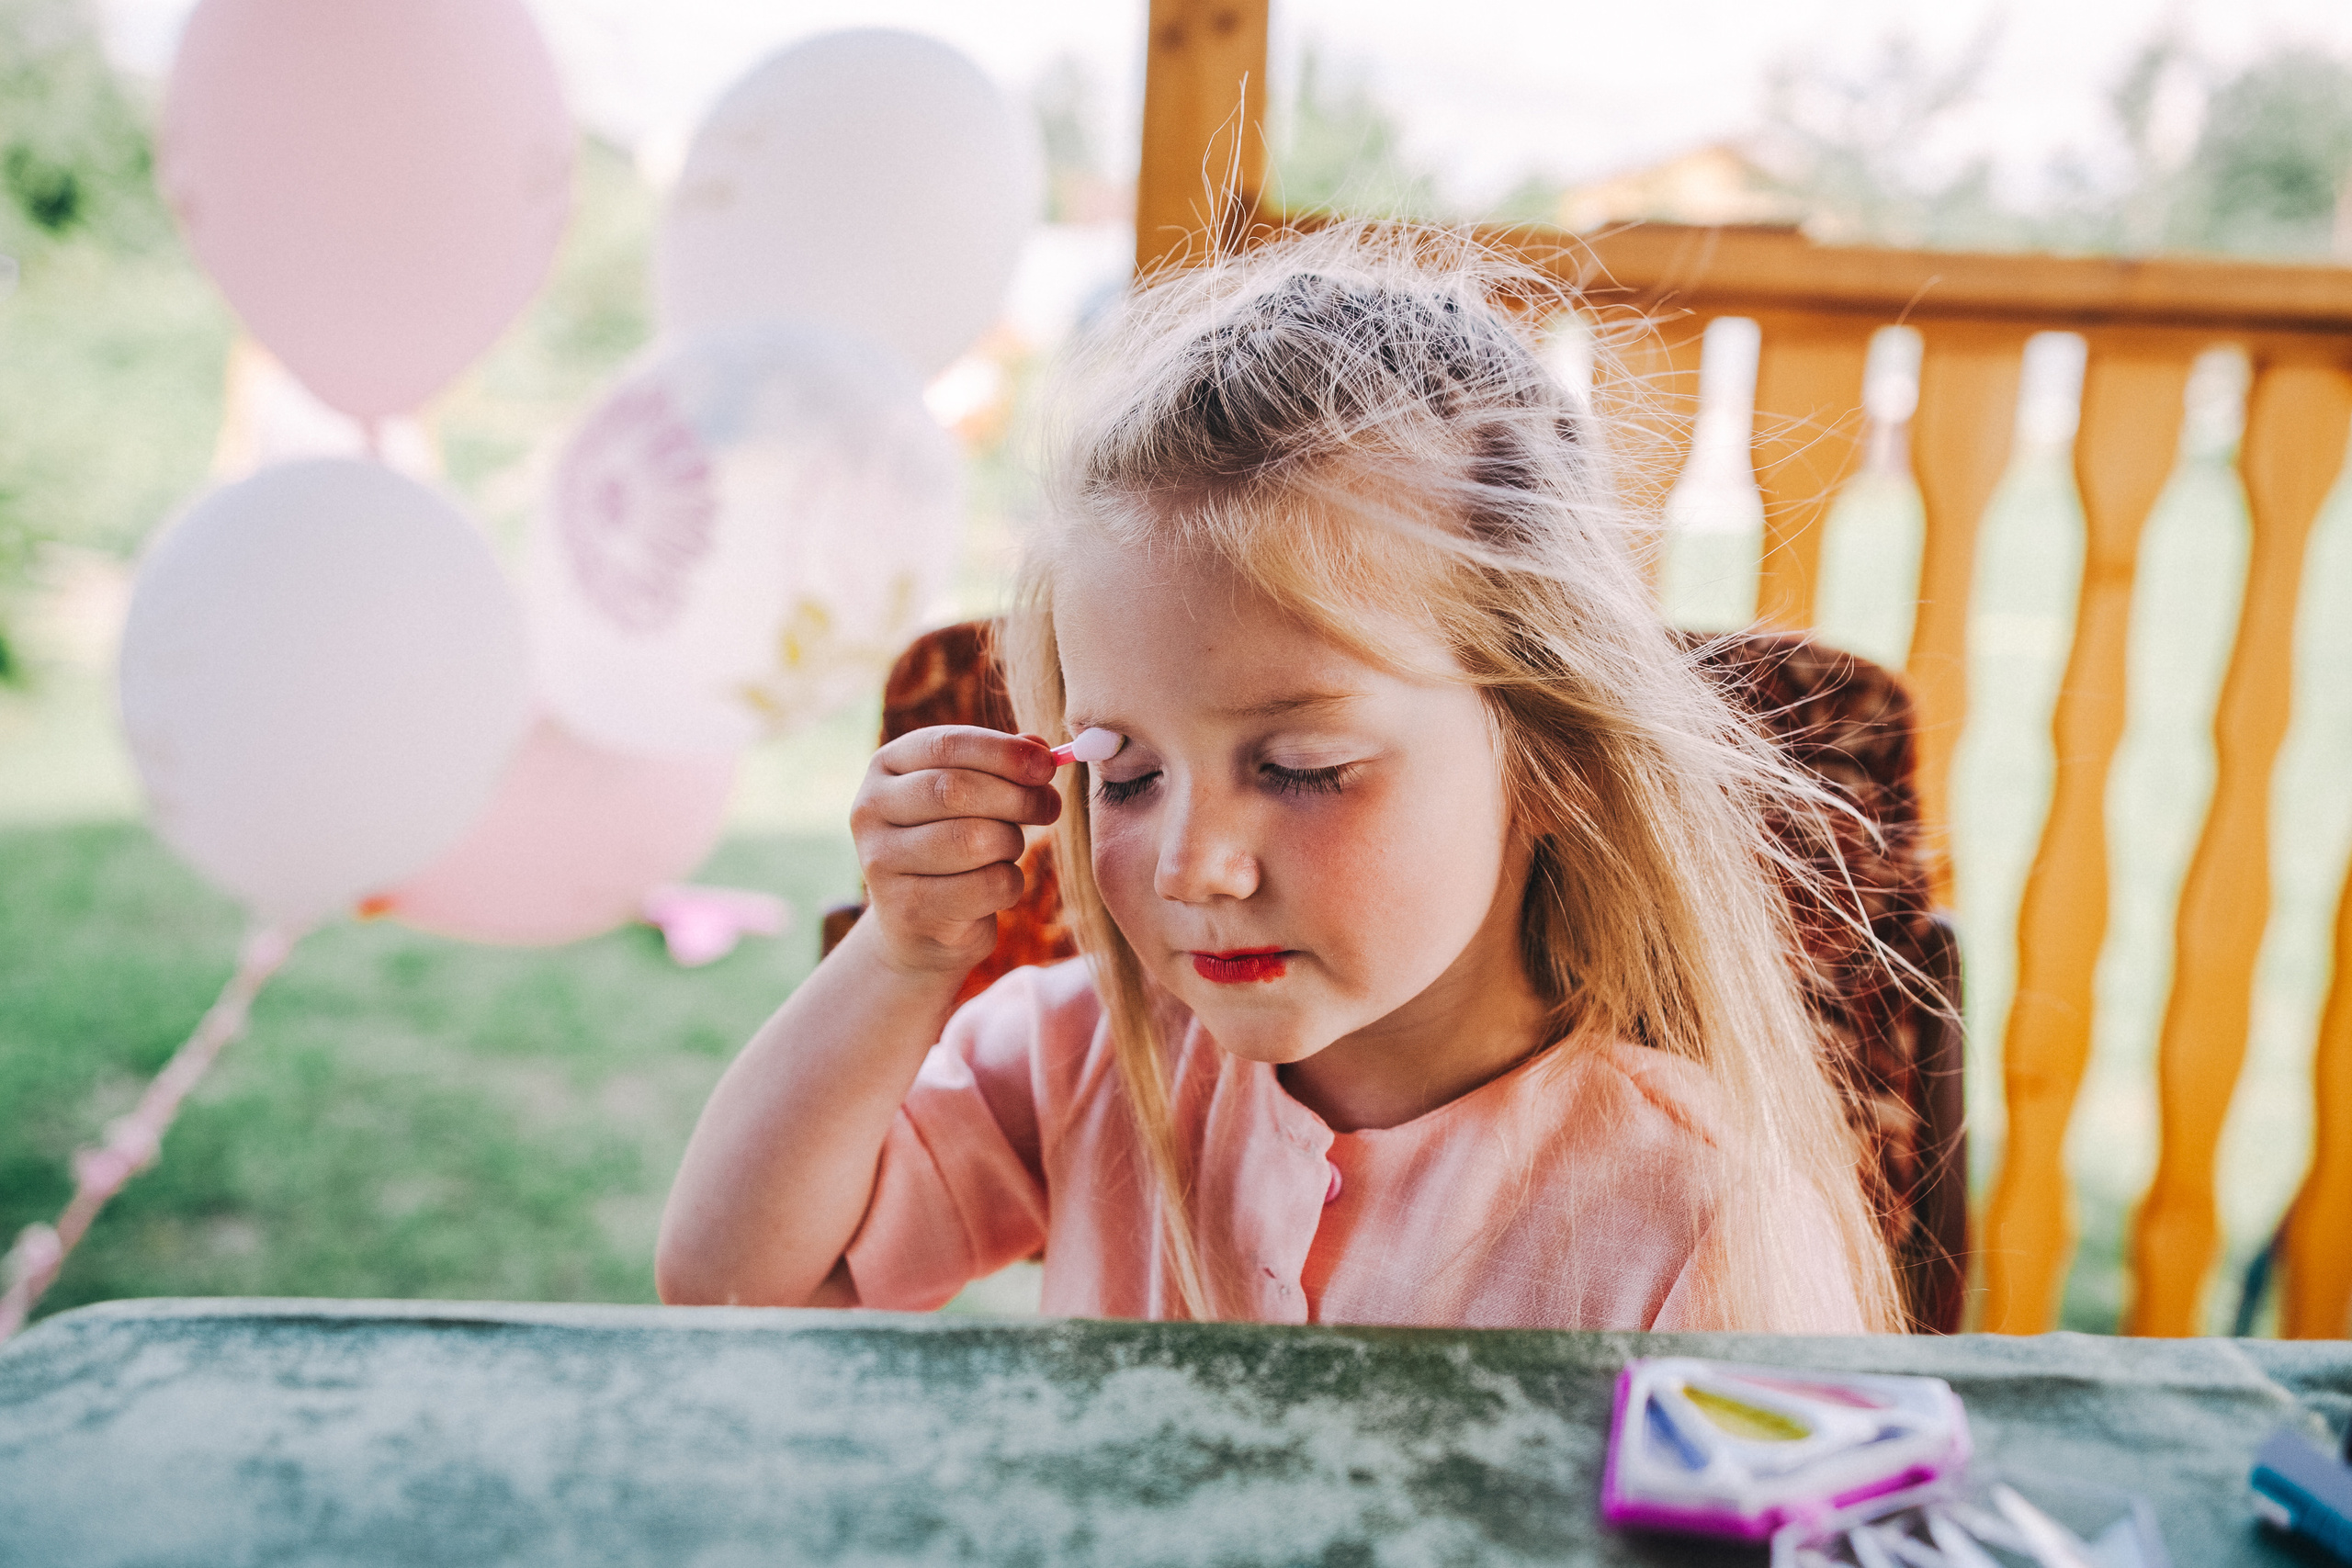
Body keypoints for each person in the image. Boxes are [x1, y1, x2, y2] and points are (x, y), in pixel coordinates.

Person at [657, 226, 1902, 1333]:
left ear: (1553, 760)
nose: (1196, 861)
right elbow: (737, 1289)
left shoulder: (1696, 1217)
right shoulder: (1081, 1061)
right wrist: (902, 956)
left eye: (1303, 767)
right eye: (1128, 773)